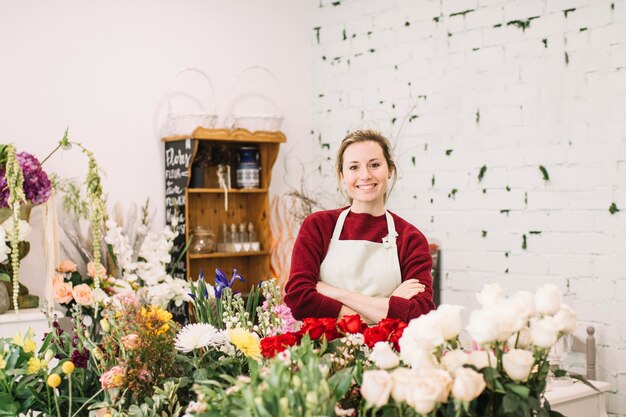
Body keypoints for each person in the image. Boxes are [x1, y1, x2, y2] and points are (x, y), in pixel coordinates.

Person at [284, 129, 435, 324]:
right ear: (342, 176)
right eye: (354, 167)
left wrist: (337, 294)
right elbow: (299, 300)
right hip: (323, 352)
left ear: (389, 170)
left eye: (374, 165)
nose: (365, 175)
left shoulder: (410, 238)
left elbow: (419, 314)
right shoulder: (318, 226)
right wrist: (389, 305)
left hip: (387, 352)